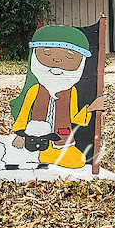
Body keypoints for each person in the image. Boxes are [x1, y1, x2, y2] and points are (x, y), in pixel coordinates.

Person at [10, 26, 104, 169]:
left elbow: (74, 117)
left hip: (61, 139)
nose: (57, 61)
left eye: (69, 57)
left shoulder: (71, 92)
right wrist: (20, 135)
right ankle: (38, 157)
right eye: (47, 54)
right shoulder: (35, 90)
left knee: (78, 160)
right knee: (25, 153)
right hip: (34, 139)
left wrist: (91, 108)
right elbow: (23, 114)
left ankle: (43, 158)